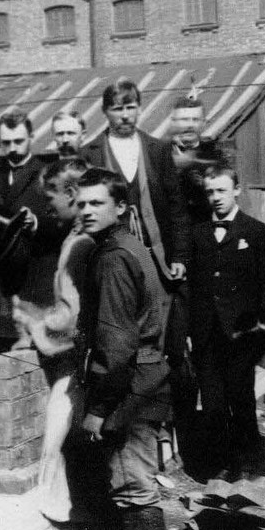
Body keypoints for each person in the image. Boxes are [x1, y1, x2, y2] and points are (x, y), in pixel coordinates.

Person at [72, 167, 173, 530]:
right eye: (82, 202)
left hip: (132, 386)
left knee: (133, 484)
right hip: (145, 378)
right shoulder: (129, 246)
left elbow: (116, 346)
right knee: (133, 481)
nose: (87, 210)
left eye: (97, 203)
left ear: (120, 208)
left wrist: (98, 409)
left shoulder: (113, 258)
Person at [84, 81, 193, 460]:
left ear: (140, 109)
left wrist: (179, 254)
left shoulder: (158, 149)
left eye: (131, 107)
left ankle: (161, 431)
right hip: (117, 259)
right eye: (117, 109)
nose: (125, 115)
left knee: (162, 348)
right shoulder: (92, 151)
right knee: (121, 343)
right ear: (106, 112)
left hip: (157, 261)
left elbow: (176, 208)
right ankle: (127, 431)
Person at [12, 157, 94, 524]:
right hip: (86, 358)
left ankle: (65, 510)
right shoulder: (81, 238)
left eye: (52, 200)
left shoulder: (77, 244)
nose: (48, 209)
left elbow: (72, 317)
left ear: (73, 194)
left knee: (59, 430)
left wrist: (33, 324)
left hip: (79, 361)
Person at [185, 165, 265, 481]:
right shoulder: (196, 235)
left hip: (241, 333)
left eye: (222, 190)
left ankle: (247, 464)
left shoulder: (257, 232)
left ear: (236, 190)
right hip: (207, 333)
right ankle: (220, 464)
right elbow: (190, 287)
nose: (216, 197)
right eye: (210, 192)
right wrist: (189, 331)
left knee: (241, 398)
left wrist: (260, 327)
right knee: (212, 403)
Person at [0, 111, 65, 344]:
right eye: (6, 143)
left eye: (19, 141)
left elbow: (63, 220)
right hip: (5, 281)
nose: (12, 148)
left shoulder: (48, 171)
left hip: (38, 274)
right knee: (6, 351)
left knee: (44, 345)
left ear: (32, 137)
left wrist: (37, 224)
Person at [170, 96, 225, 224]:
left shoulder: (215, 157)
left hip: (207, 229)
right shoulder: (159, 156)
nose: (189, 125)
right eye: (184, 120)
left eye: (195, 120)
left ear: (204, 123)